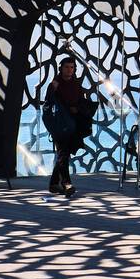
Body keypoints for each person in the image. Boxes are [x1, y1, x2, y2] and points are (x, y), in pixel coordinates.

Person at [43, 56, 92, 197]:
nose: (69, 70)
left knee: (64, 154)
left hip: (73, 124)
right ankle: (66, 183)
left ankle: (53, 184)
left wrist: (77, 109)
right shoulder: (55, 84)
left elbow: (80, 101)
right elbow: (48, 104)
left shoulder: (76, 84)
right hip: (59, 125)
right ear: (61, 68)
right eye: (66, 67)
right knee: (63, 153)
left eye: (72, 67)